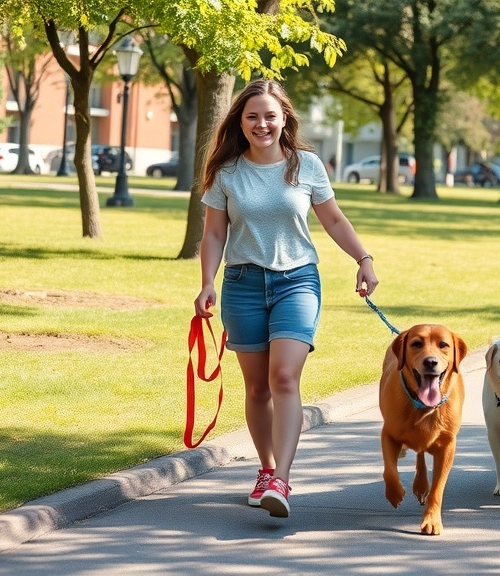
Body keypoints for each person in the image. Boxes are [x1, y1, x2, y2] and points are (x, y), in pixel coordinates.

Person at [194, 78, 378, 519]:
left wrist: (364, 259)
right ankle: (266, 468)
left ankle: (282, 479)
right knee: (257, 386)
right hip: (242, 284)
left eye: (270, 116)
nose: (262, 124)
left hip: (297, 281)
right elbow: (215, 231)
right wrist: (207, 282)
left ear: (284, 119)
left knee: (284, 378)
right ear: (240, 121)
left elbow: (333, 219)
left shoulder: (306, 165)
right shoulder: (227, 172)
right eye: (252, 116)